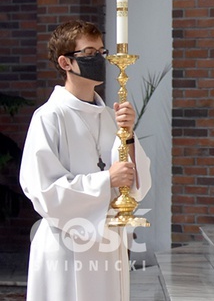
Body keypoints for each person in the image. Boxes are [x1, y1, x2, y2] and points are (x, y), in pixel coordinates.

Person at [19, 20, 152, 301]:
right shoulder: (48, 117)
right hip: (65, 248)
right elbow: (44, 191)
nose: (100, 60)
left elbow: (135, 186)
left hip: (107, 243)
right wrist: (106, 181)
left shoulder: (108, 116)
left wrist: (128, 136)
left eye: (102, 52)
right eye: (89, 53)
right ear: (65, 62)